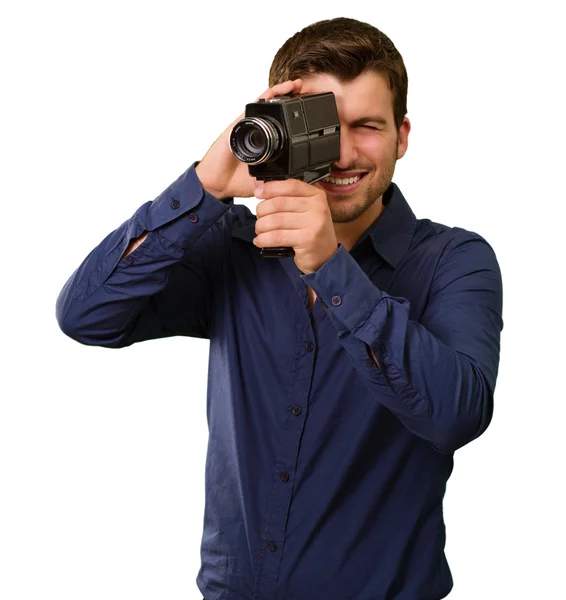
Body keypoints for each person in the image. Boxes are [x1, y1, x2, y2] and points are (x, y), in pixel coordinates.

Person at [56, 16, 503, 600]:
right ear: (284, 129)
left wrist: (329, 268)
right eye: (322, 126)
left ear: (403, 135)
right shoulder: (232, 247)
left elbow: (457, 414)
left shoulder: (455, 259)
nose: (343, 153)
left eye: (367, 126)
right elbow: (87, 316)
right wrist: (204, 186)